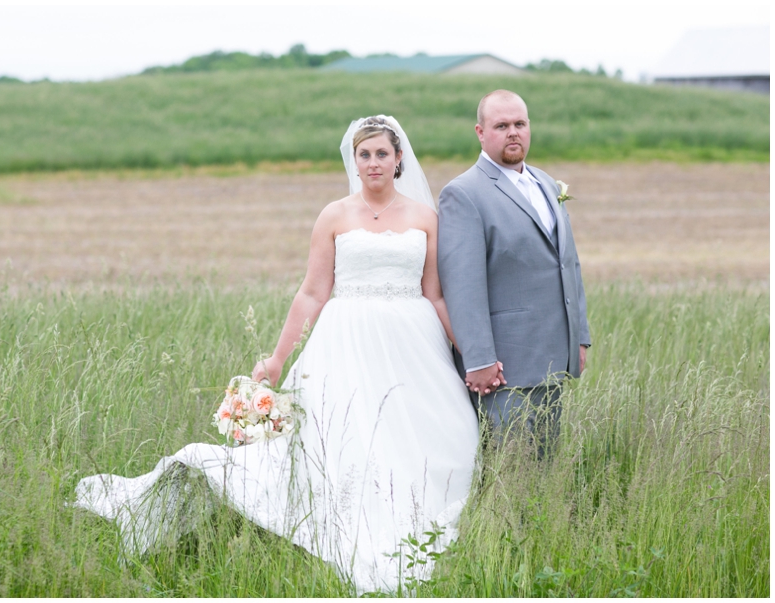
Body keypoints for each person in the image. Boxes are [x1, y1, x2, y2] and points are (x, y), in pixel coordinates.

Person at [72, 116, 482, 594]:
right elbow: (311, 293)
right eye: (364, 154)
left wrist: (470, 354)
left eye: (381, 154)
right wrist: (276, 359)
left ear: (399, 160)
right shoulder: (334, 216)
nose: (373, 163)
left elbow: (434, 294)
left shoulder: (422, 217)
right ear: (355, 160)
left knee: (437, 434)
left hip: (414, 343)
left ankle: (414, 519)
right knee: (343, 439)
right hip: (345, 341)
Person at [437, 90, 591, 456]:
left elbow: (568, 262)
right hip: (504, 369)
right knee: (508, 472)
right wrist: (479, 360)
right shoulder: (463, 193)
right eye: (501, 125)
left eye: (519, 124)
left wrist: (579, 338)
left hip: (553, 358)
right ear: (480, 132)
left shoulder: (546, 183)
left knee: (545, 469)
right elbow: (463, 286)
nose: (513, 133)